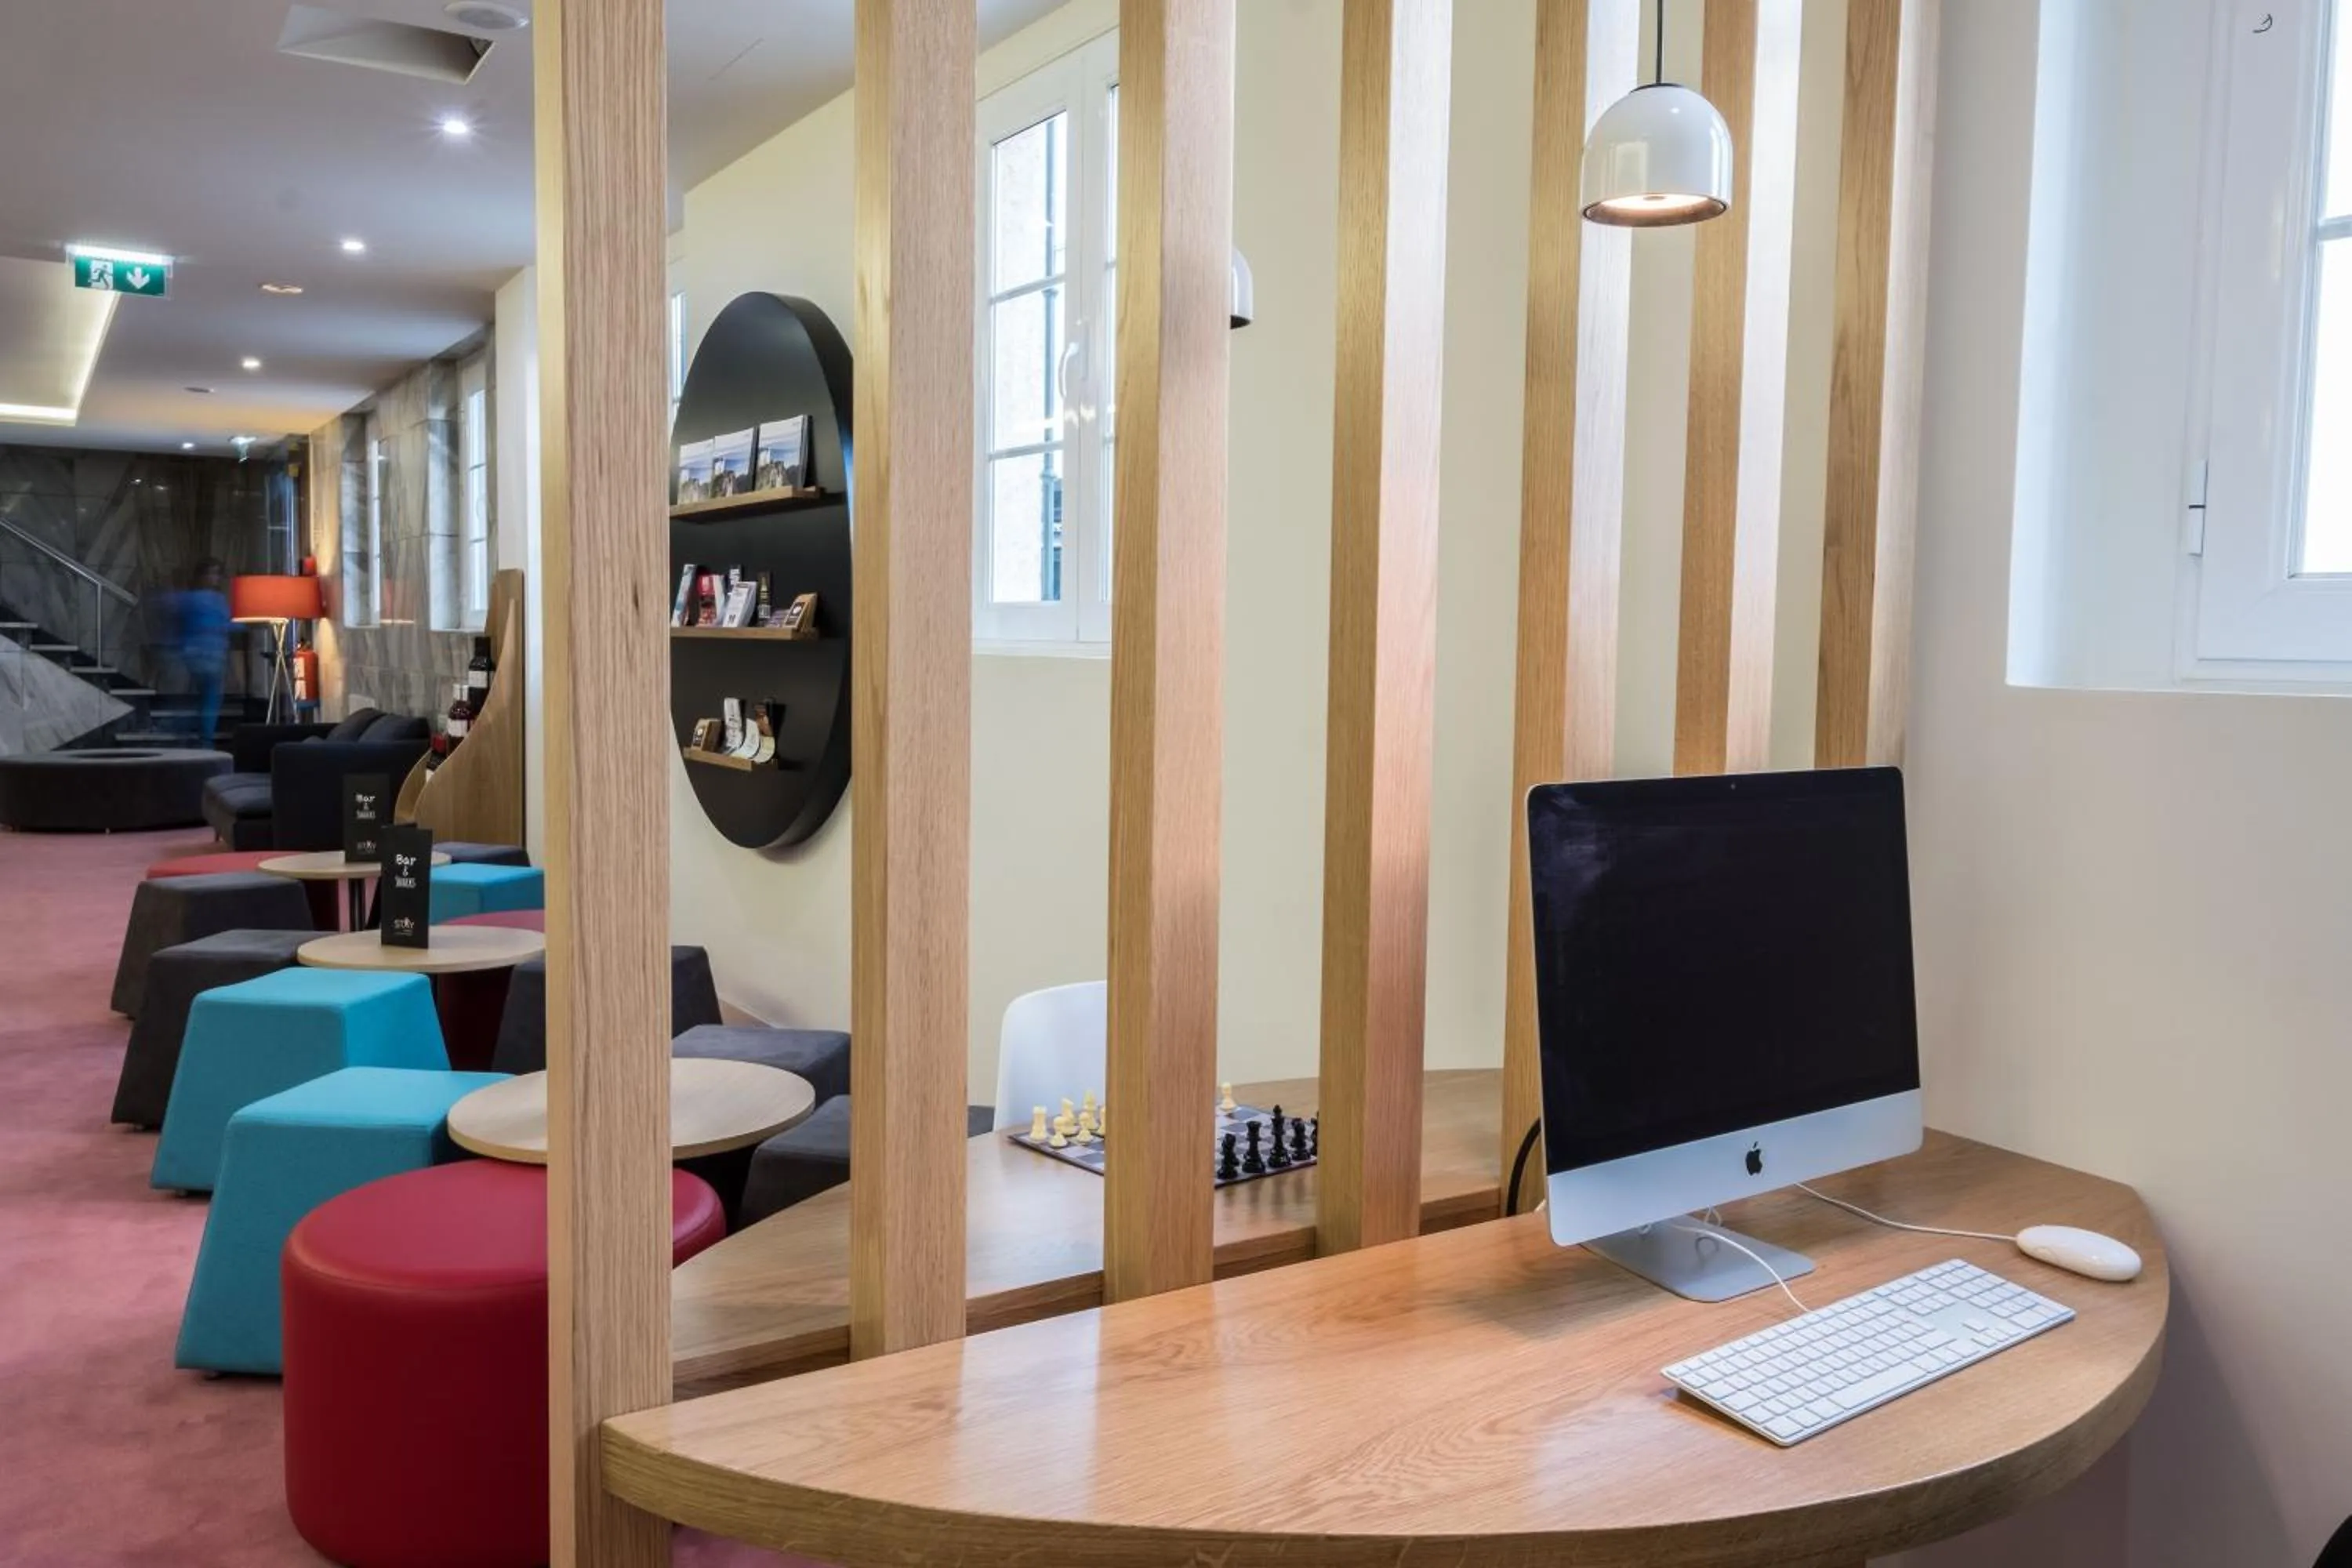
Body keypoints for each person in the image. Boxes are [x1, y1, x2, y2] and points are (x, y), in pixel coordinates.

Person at [178, 559, 230, 747]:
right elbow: (223, 624)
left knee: (205, 695)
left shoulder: (194, 599)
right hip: (208, 653)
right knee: (210, 696)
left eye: (217, 574)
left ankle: (199, 733)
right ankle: (205, 736)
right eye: (211, 573)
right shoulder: (212, 600)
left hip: (199, 652)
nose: (214, 578)